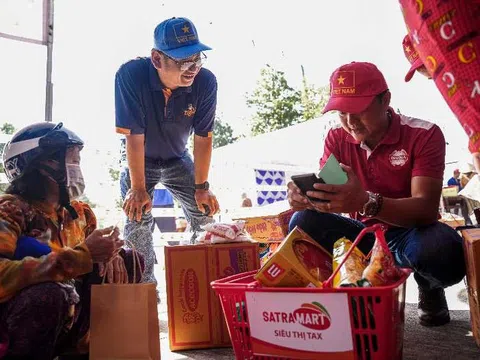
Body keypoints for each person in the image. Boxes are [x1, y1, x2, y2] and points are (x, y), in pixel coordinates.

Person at [287, 62, 465, 327]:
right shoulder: (336, 137)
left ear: (386, 100)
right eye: (341, 113)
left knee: (440, 250)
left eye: (358, 110)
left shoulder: (423, 134)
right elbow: (332, 194)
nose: (350, 122)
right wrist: (309, 198)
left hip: (412, 234)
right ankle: (351, 290)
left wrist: (366, 202)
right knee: (301, 221)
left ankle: (428, 284)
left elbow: (426, 209)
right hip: (362, 236)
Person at [0, 122, 143, 359]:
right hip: (19, 326)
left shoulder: (79, 213)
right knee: (48, 294)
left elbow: (95, 257)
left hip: (70, 320)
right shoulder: (11, 210)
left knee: (129, 260)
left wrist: (112, 253)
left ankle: (89, 351)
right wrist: (83, 257)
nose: (77, 168)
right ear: (42, 165)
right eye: (72, 161)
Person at [115, 17, 220, 285]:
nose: (192, 68)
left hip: (177, 158)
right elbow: (135, 137)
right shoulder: (131, 75)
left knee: (205, 214)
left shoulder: (206, 82)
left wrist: (202, 185)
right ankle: (144, 290)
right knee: (137, 218)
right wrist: (138, 189)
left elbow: (203, 138)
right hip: (142, 158)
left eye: (197, 58)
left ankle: (206, 283)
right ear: (156, 59)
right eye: (184, 60)